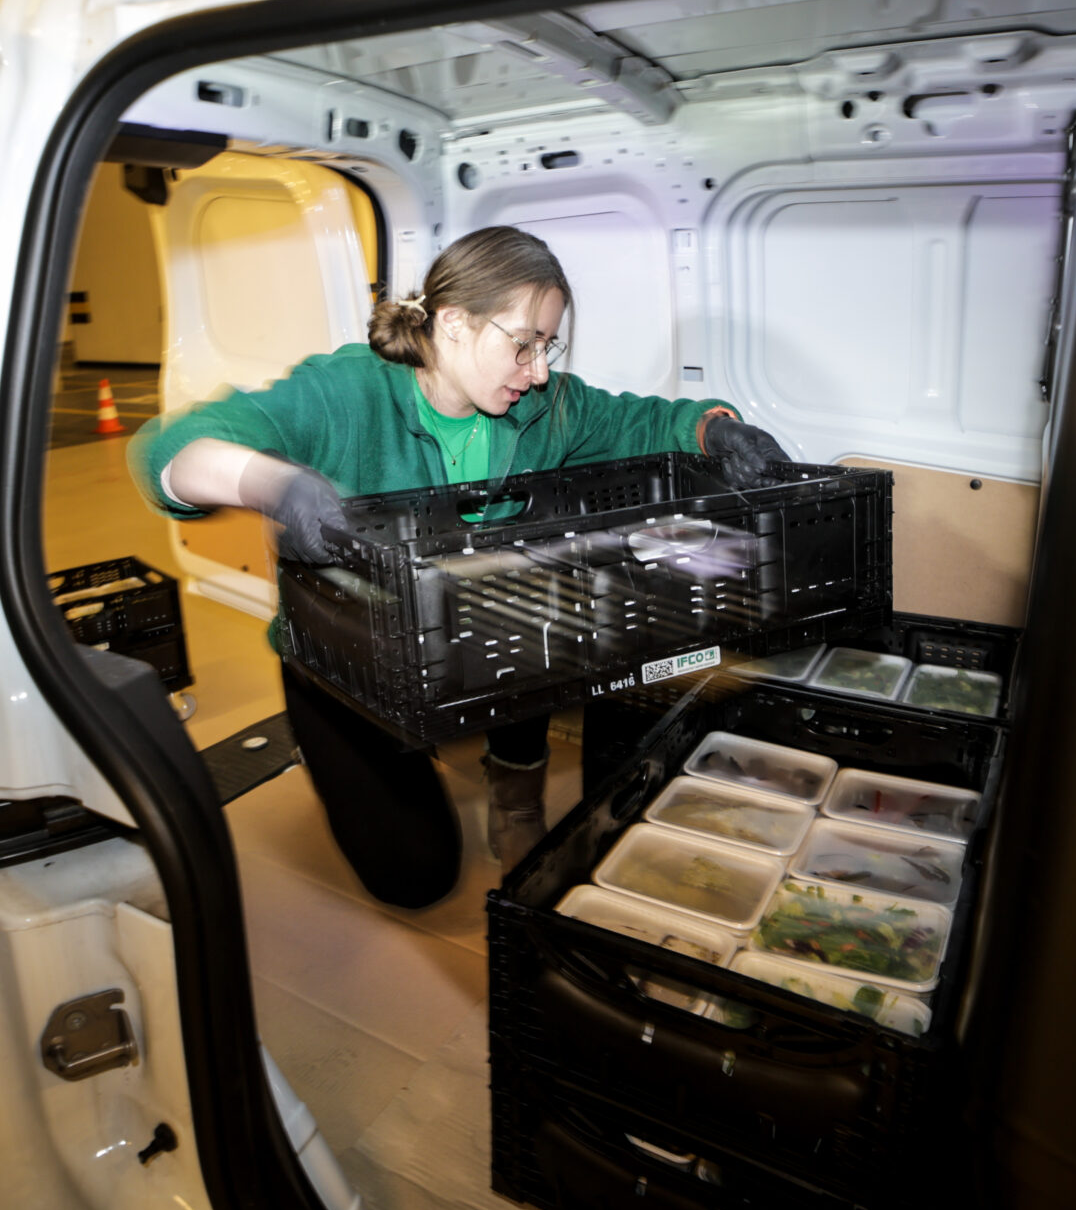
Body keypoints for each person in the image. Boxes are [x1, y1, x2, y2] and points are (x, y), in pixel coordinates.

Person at [130, 224, 788, 908]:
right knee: (417, 876)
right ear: (452, 322)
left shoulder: (542, 407)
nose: (538, 370)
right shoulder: (346, 393)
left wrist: (716, 429)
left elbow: (644, 422)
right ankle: (351, 745)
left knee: (539, 605)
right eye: (524, 343)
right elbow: (169, 450)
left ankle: (515, 783)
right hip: (352, 657)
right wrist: (271, 483)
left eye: (548, 346)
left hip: (470, 630)